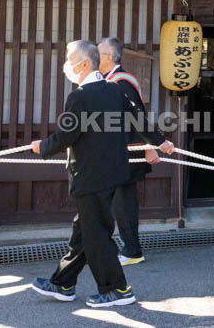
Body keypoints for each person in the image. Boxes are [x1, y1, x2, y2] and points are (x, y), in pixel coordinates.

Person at [30, 41, 173, 308]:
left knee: (96, 236)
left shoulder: (80, 97)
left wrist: (43, 147)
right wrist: (160, 141)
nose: (66, 64)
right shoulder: (115, 90)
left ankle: (117, 289)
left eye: (68, 58)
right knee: (83, 232)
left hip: (90, 176)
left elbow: (66, 135)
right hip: (112, 173)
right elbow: (138, 118)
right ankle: (63, 283)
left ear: (83, 64)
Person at [97, 36, 166, 266]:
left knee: (124, 203)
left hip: (129, 151)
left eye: (98, 53)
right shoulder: (108, 80)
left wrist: (152, 146)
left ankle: (132, 250)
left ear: (109, 57)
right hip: (116, 151)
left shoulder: (122, 81)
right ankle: (123, 248)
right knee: (115, 202)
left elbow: (138, 119)